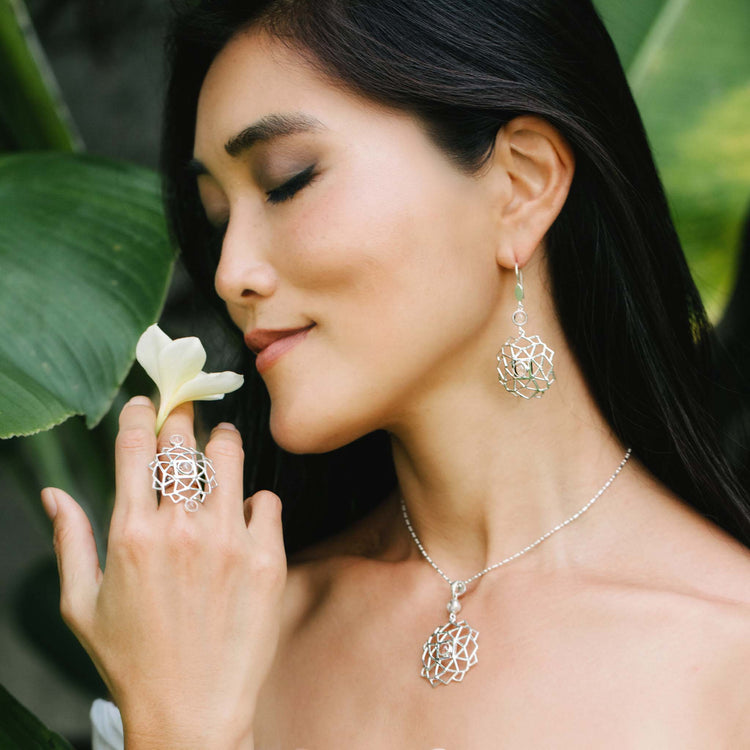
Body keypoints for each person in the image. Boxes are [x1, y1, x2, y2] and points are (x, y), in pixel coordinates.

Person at [41, 0, 750, 747]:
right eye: (217, 218)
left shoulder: (729, 655)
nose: (229, 273)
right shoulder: (222, 634)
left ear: (522, 184)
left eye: (288, 180)